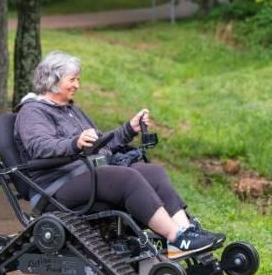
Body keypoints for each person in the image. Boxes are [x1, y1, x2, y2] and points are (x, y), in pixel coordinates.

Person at [14, 51, 224, 259]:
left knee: (153, 172)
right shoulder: (32, 111)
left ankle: (186, 232)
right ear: (53, 80)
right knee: (126, 177)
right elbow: (39, 146)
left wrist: (129, 129)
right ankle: (174, 236)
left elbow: (101, 144)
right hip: (56, 184)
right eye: (72, 79)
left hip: (86, 171)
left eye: (78, 79)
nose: (77, 85)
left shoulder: (69, 109)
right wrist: (74, 143)